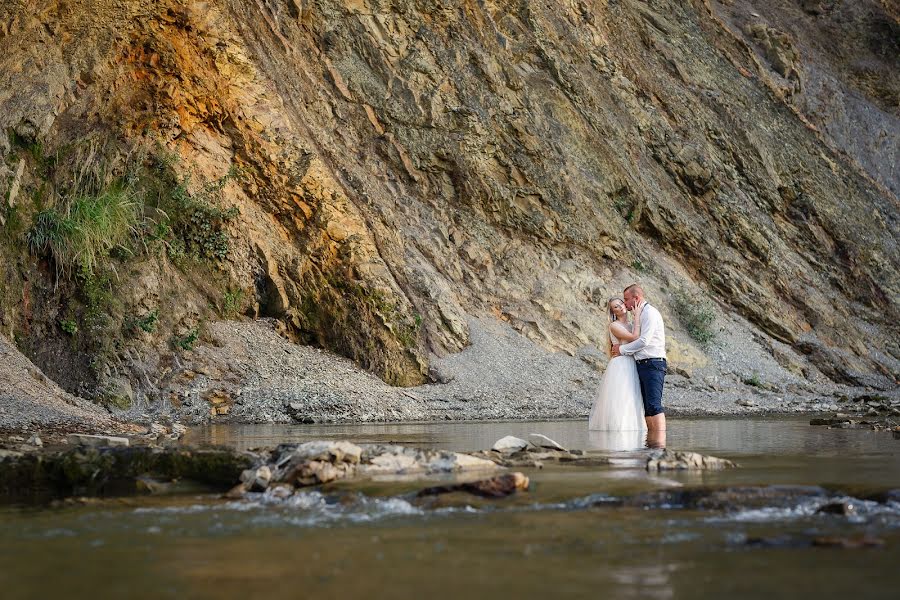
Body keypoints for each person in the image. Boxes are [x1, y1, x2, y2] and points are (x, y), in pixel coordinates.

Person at [612, 284, 667, 434]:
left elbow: (644, 341)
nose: (625, 303)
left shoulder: (649, 313)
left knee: (654, 405)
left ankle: (660, 448)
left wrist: (621, 350)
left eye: (626, 299)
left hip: (653, 362)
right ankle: (652, 444)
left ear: (636, 298)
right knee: (647, 407)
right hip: (643, 364)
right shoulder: (640, 314)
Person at [588, 297, 647, 431]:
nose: (620, 307)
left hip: (631, 362)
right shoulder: (614, 326)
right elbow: (634, 338)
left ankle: (633, 428)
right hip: (621, 364)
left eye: (621, 303)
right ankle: (619, 428)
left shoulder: (631, 325)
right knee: (621, 396)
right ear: (613, 312)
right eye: (616, 307)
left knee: (632, 395)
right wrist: (637, 316)